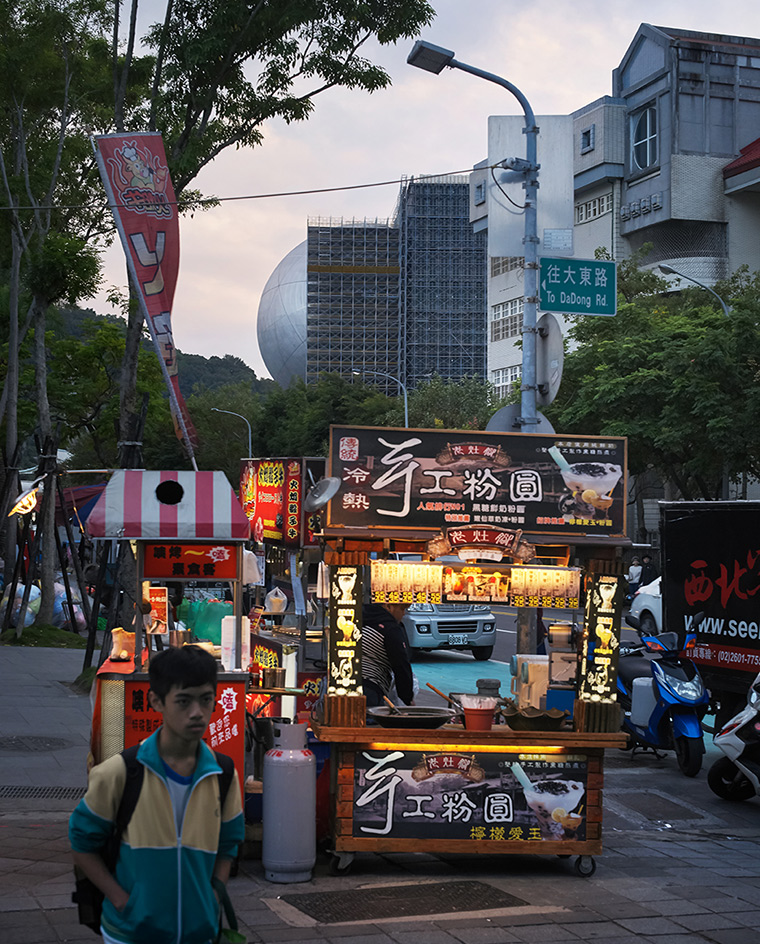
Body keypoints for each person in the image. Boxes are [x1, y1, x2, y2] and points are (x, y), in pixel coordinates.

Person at [69, 646, 244, 944]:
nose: (197, 713)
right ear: (156, 701)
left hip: (198, 933)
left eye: (205, 699)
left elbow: (229, 844)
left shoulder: (223, 773)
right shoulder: (120, 772)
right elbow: (81, 842)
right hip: (130, 934)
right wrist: (122, 901)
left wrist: (213, 895)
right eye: (183, 701)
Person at [361, 601, 415, 709]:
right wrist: (407, 698)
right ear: (389, 606)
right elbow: (401, 665)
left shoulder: (362, 619)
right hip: (370, 689)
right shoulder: (390, 629)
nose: (403, 613)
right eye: (402, 609)